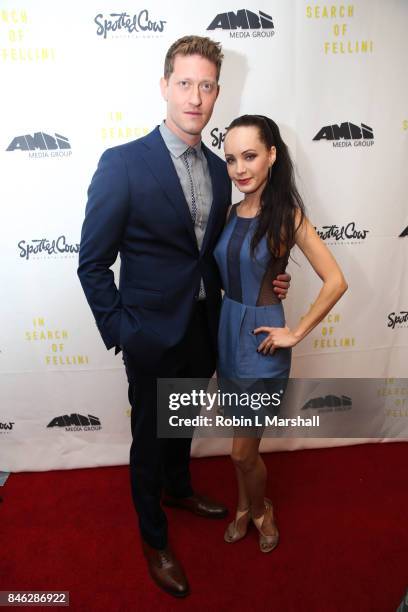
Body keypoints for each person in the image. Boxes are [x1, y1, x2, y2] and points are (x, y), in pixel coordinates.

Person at [77, 38, 291, 597]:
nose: (196, 97)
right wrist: (122, 331)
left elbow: (219, 250)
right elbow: (93, 263)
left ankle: (178, 487)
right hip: (149, 335)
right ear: (165, 85)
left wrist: (270, 280)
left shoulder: (224, 173)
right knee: (148, 441)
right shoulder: (123, 163)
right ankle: (155, 538)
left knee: (181, 426)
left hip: (205, 328)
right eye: (185, 83)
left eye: (207, 85)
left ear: (218, 92)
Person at [214, 114, 348, 552]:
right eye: (232, 158)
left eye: (250, 156)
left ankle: (259, 510)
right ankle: (242, 505)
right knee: (242, 440)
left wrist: (296, 332)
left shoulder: (287, 216)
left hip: (262, 343)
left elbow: (335, 280)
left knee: (239, 452)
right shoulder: (230, 212)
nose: (240, 169)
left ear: (271, 156)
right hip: (225, 335)